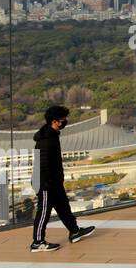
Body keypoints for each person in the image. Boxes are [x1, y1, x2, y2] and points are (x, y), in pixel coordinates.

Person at [29, 105, 94, 252]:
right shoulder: (46, 140)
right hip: (45, 183)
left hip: (54, 182)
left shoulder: (52, 135)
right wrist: (47, 184)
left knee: (64, 207)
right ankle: (37, 242)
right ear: (55, 121)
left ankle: (74, 231)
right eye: (63, 119)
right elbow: (43, 164)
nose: (65, 121)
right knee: (44, 211)